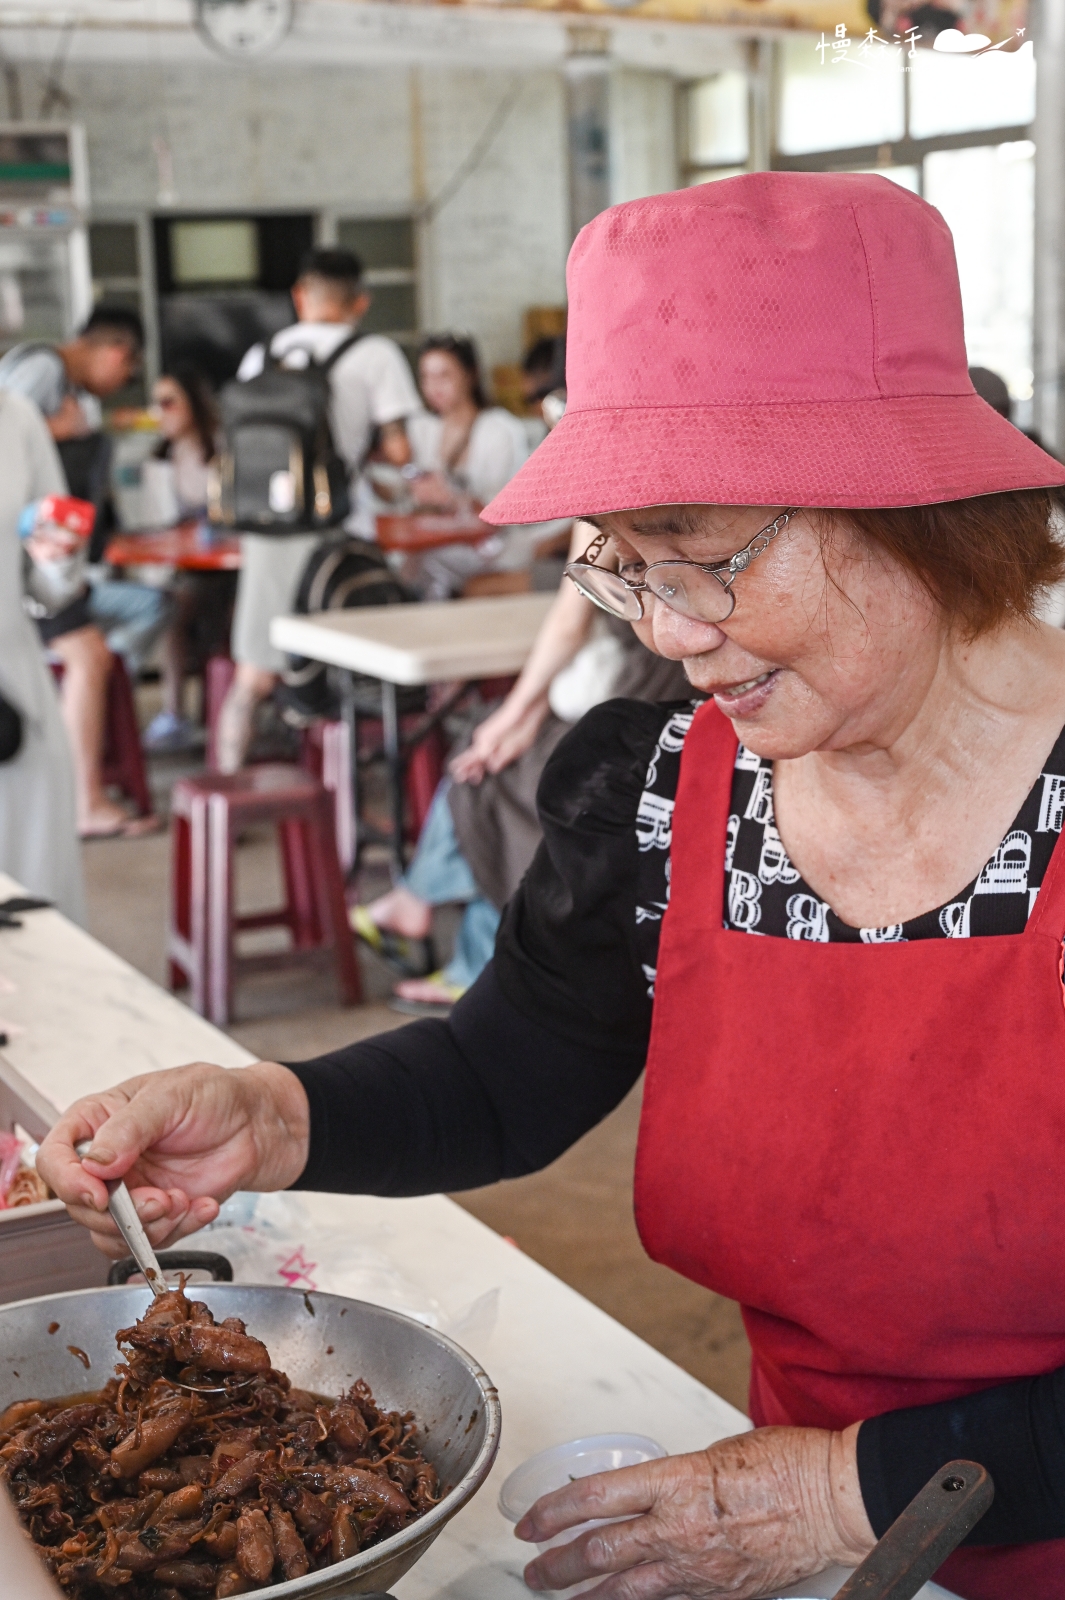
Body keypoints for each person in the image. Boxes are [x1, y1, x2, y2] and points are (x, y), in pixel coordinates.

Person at [40, 174, 1065, 1599]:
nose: (670, 633)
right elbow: (509, 1066)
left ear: (912, 504)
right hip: (787, 1524)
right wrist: (277, 1116)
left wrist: (853, 1486)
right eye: (620, 574)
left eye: (702, 561)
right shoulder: (667, 787)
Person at [359, 519, 689, 1010]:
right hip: (661, 688)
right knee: (491, 760)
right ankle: (452, 938)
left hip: (630, 698)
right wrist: (520, 717)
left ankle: (453, 939)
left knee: (498, 779)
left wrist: (515, 714)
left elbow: (570, 621)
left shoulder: (602, 497)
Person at [215, 247, 421, 773]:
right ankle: (350, 803)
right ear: (360, 302)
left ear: (299, 297)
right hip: (338, 532)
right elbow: (400, 451)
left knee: (253, 675)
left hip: (266, 531)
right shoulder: (374, 353)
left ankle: (228, 782)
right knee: (347, 671)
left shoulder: (260, 356)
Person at [0, 306, 164, 837]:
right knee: (90, 658)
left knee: (94, 653)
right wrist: (61, 427)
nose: (118, 385)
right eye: (126, 373)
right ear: (116, 351)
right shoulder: (44, 373)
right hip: (33, 558)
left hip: (42, 556)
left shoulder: (47, 373)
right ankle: (85, 799)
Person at [0, 390, 83, 919]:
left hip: (12, 703)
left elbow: (51, 587)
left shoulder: (16, 418)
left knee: (37, 913)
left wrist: (58, 561)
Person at [139, 367, 236, 753]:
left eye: (168, 402)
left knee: (180, 609)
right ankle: (175, 712)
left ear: (192, 405)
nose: (160, 412)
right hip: (186, 568)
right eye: (156, 403)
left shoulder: (222, 452)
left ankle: (192, 711)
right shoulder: (162, 457)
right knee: (170, 606)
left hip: (227, 571)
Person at [404, 334, 529, 598]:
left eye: (444, 376)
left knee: (422, 566)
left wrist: (452, 498)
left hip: (493, 549)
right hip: (441, 544)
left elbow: (507, 513)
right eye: (426, 377)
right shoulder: (424, 430)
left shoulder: (500, 430)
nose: (434, 387)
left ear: (470, 375)